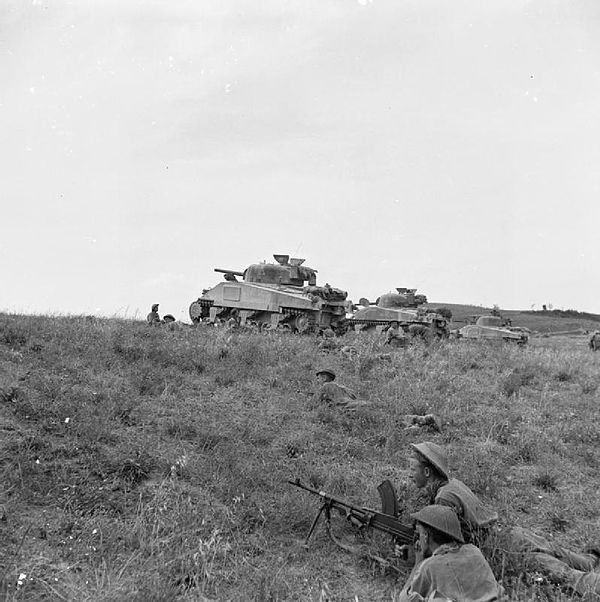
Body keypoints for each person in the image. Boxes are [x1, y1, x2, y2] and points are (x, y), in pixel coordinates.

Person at [406, 442, 600, 596]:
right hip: (510, 533)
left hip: (505, 549)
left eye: (413, 469)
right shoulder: (452, 485)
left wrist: (418, 556)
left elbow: (447, 547)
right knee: (567, 556)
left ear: (427, 472)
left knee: (567, 577)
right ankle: (591, 560)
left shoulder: (443, 498)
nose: (409, 474)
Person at [397, 505, 504, 602]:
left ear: (425, 536)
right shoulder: (473, 550)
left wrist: (418, 562)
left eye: (419, 533)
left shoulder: (429, 567)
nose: (418, 538)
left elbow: (403, 599)